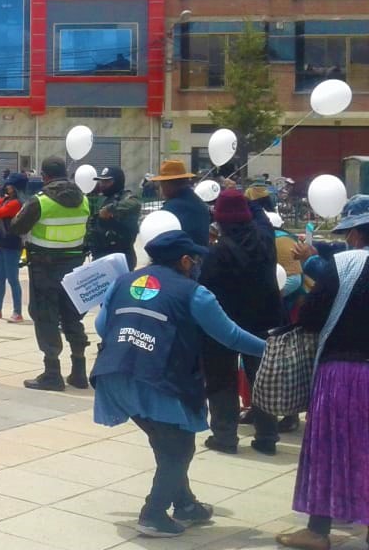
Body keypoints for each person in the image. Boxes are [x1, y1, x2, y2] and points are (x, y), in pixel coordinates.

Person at [92, 230, 265, 538]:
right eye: (195, 259)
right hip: (156, 379)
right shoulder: (194, 293)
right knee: (179, 448)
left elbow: (101, 325)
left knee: (165, 439)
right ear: (185, 261)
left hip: (115, 375)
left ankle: (185, 504)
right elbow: (230, 336)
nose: (197, 265)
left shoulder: (123, 281)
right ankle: (154, 513)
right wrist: (270, 348)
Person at [276, 196, 369, 550]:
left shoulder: (345, 264)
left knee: (328, 450)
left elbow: (311, 319)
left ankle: (318, 530)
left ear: (357, 235)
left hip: (343, 373)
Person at [195, 190, 286, 456]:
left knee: (221, 378)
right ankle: (267, 436)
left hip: (225, 325)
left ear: (220, 220)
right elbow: (260, 217)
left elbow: (205, 289)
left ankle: (225, 435)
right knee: (262, 379)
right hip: (264, 320)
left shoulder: (216, 253)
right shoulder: (266, 239)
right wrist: (247, 199)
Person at [11, 155, 90, 391]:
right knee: (72, 315)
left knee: (45, 316)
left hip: (44, 268)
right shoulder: (84, 199)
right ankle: (79, 370)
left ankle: (52, 372)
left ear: (44, 176)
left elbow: (17, 226)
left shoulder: (40, 201)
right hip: (74, 266)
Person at [0, 173, 26, 322]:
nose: (7, 186)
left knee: (12, 279)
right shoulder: (8, 200)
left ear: (15, 187)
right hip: (3, 243)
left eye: (9, 185)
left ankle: (17, 311)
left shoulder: (16, 203)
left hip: (12, 245)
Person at [86, 167, 143, 270]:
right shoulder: (105, 199)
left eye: (107, 181)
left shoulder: (126, 197)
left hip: (121, 256)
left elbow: (135, 203)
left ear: (117, 181)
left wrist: (110, 210)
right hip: (101, 256)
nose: (102, 185)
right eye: (102, 181)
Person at [152, 160, 211, 247]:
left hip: (180, 257)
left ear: (169, 185)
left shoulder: (172, 208)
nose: (162, 189)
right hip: (201, 255)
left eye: (162, 184)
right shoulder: (197, 201)